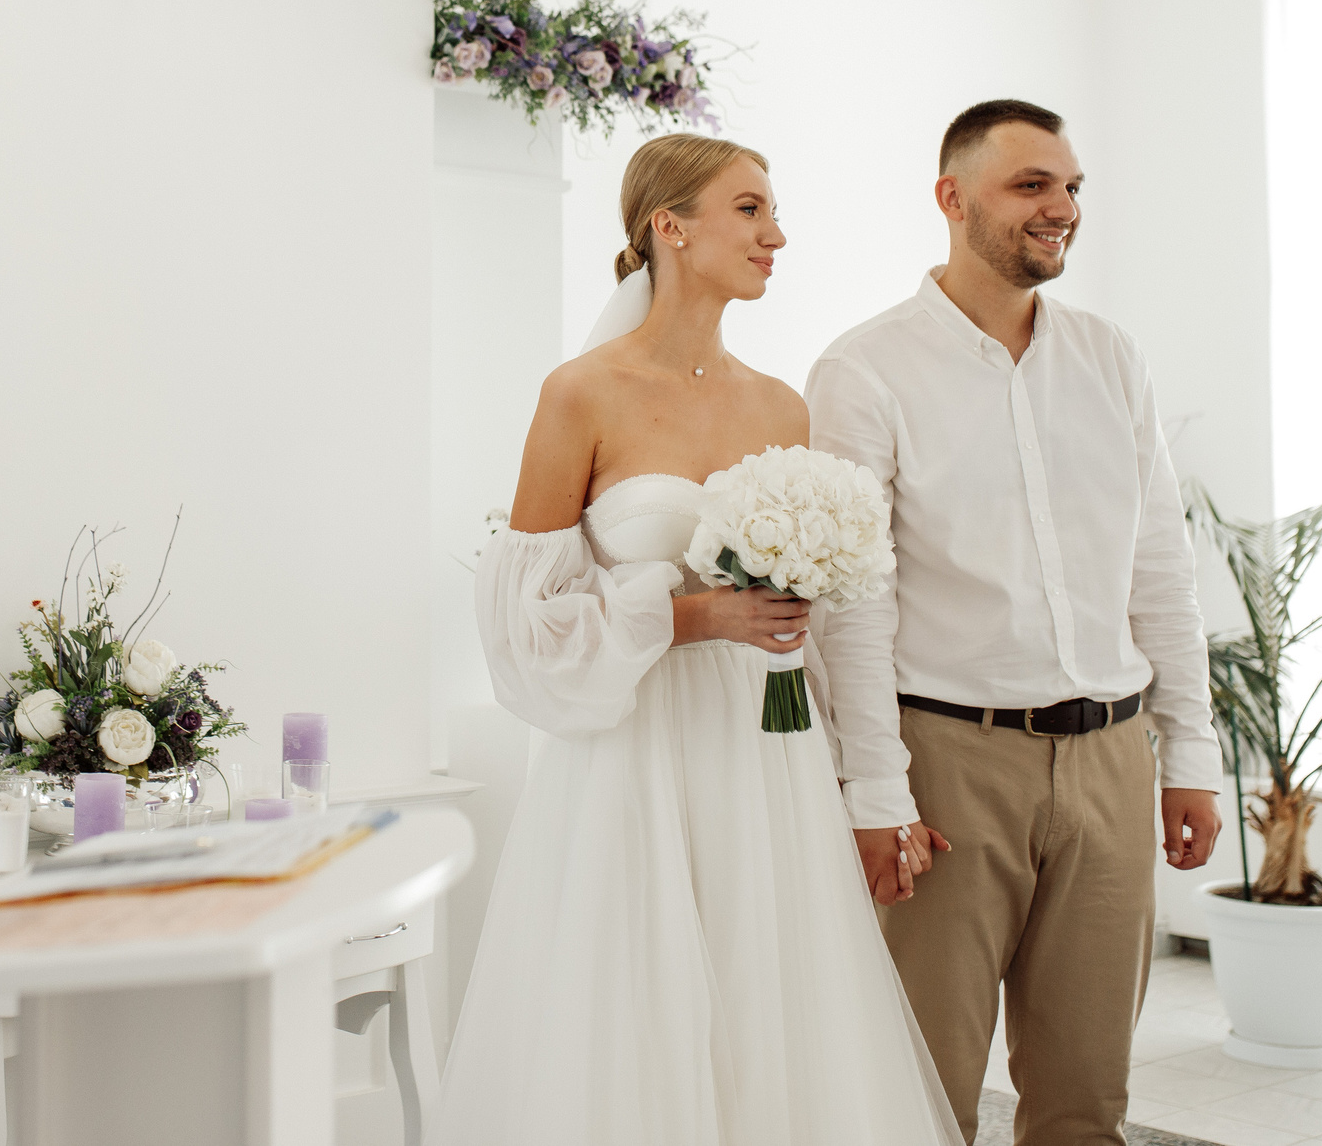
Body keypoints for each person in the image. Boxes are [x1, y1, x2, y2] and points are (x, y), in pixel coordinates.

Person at [437, 134, 962, 1146]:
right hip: (635, 758)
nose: (777, 236)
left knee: (775, 1004)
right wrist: (688, 617)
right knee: (637, 1009)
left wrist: (860, 778)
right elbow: (523, 623)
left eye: (773, 212)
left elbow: (822, 623)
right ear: (669, 226)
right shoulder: (580, 393)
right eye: (750, 210)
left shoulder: (781, 404)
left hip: (766, 755)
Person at [806, 98, 1221, 1146]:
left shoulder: (1111, 357)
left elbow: (1160, 566)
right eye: (1031, 185)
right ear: (951, 199)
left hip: (1113, 761)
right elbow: (855, 605)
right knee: (921, 1096)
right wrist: (875, 791)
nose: (1062, 207)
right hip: (949, 765)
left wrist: (1191, 756)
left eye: (1071, 186)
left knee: (1087, 1105)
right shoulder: (864, 371)